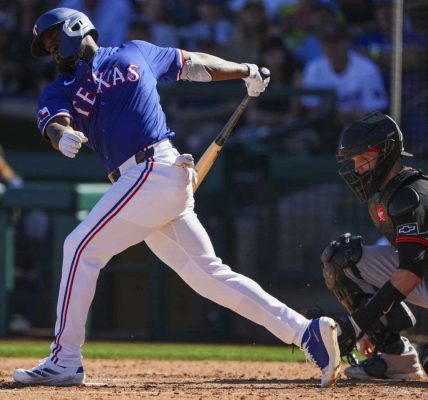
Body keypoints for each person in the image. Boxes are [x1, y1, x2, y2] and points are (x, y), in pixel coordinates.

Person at [13, 7, 340, 387]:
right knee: (209, 276)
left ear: (76, 28)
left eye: (54, 40)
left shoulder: (135, 51)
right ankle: (306, 331)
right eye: (47, 46)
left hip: (153, 169)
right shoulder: (61, 87)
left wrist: (245, 70)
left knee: (79, 247)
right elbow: (54, 120)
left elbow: (193, 64)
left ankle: (65, 359)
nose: (53, 50)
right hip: (143, 181)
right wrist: (61, 135)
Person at [320, 111, 428, 380]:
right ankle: (396, 359)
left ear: (387, 152)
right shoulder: (388, 196)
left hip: (420, 275)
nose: (357, 168)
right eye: (354, 160)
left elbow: (410, 274)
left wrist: (357, 324)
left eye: (364, 158)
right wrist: (370, 326)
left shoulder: (410, 195)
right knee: (341, 259)